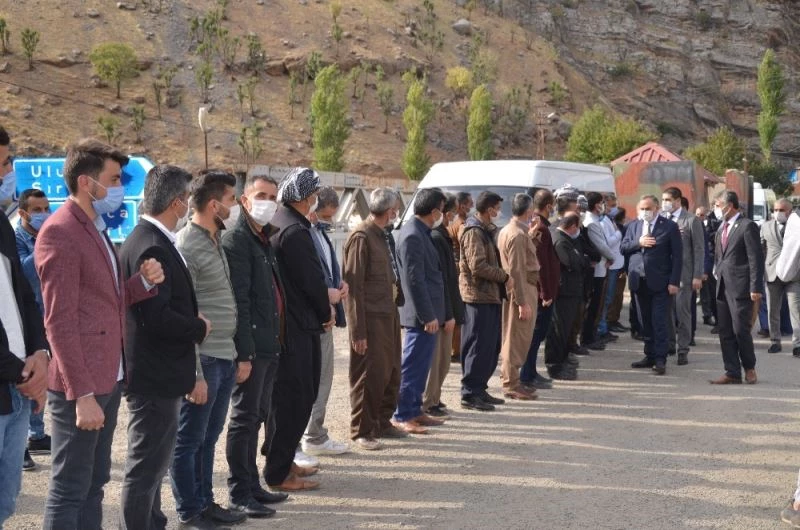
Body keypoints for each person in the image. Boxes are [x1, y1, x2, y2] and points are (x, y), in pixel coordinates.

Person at [36, 139, 163, 529]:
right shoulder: (60, 232)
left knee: (94, 483)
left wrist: (142, 282)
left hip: (107, 377)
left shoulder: (95, 228)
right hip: (82, 386)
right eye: (114, 179)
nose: (119, 187)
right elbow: (59, 321)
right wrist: (82, 394)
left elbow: (105, 300)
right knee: (69, 488)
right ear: (86, 182)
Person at [119, 165, 215, 529]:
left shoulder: (150, 239)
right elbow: (155, 317)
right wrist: (198, 326)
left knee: (154, 467)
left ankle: (153, 522)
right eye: (186, 198)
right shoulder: (151, 245)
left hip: (158, 373)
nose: (188, 205)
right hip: (154, 376)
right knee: (145, 468)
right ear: (177, 202)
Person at [173, 170, 247, 528]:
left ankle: (205, 503)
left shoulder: (215, 240)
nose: (236, 206)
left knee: (208, 438)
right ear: (215, 205)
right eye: (232, 199)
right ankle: (190, 511)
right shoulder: (187, 245)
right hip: (204, 359)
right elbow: (186, 313)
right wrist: (196, 373)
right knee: (189, 440)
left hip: (224, 355)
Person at [222, 173, 288, 517]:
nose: (268, 202)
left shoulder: (263, 237)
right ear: (244, 199)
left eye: (273, 197)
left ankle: (252, 485)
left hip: (269, 343)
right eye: (261, 195)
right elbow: (240, 301)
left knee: (258, 415)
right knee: (244, 419)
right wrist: (244, 353)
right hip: (252, 347)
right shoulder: (237, 240)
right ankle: (239, 491)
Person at [266, 167, 333, 491]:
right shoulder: (293, 231)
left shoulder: (282, 222)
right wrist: (325, 312)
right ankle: (279, 472)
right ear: (305, 197)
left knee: (289, 399)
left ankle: (283, 461)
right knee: (296, 399)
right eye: (314, 194)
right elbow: (311, 282)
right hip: (296, 326)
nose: (316, 199)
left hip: (291, 324)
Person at [0, 128, 49, 527]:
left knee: (5, 501)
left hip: (18, 385)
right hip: (12, 378)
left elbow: (23, 296)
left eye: (7, 163)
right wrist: (21, 371)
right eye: (2, 164)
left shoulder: (0, 225)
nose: (6, 173)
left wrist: (39, 353)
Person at [343, 188, 406, 451]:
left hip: (388, 312)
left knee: (390, 370)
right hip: (370, 317)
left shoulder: (382, 235)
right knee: (369, 374)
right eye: (395, 209)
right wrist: (358, 331)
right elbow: (353, 288)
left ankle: (382, 421)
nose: (397, 213)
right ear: (389, 211)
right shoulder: (362, 237)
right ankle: (362, 429)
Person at [392, 188, 448, 434]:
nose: (441, 215)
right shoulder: (412, 235)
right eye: (441, 210)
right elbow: (414, 280)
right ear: (434, 211)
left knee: (422, 366)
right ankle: (402, 414)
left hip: (428, 314)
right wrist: (427, 315)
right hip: (420, 316)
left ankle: (414, 409)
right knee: (412, 366)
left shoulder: (421, 232)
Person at [302, 186, 349, 457]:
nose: (329, 221)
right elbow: (309, 280)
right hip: (316, 318)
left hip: (326, 316)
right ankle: (312, 435)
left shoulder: (321, 234)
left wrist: (340, 285)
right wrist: (324, 304)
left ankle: (315, 432)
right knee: (316, 380)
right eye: (327, 215)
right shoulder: (302, 235)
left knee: (323, 379)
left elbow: (327, 271)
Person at [459, 191, 511, 411]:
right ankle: (470, 393)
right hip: (477, 297)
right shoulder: (473, 232)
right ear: (489, 209)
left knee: (490, 346)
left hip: (489, 296)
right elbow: (477, 266)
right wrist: (504, 276)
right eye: (497, 208)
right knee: (477, 345)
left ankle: (480, 388)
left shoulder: (486, 230)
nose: (498, 212)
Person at [621, 195, 682, 376]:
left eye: (648, 208)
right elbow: (624, 248)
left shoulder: (669, 226)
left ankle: (660, 359)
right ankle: (649, 355)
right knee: (644, 321)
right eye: (642, 209)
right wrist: (638, 243)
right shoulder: (633, 226)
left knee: (659, 321)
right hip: (639, 281)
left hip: (660, 283)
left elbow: (677, 256)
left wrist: (674, 281)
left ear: (656, 208)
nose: (645, 212)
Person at [14, 188, 52, 470]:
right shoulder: (15, 239)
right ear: (23, 213)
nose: (43, 214)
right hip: (24, 320)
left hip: (45, 317)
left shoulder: (44, 236)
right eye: (37, 210)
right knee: (25, 378)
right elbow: (25, 273)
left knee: (42, 377)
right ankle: (19, 446)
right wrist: (43, 243)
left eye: (46, 209)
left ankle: (36, 435)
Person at [708, 190, 764, 384]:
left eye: (717, 205)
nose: (715, 209)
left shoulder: (747, 226)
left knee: (740, 329)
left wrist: (756, 287)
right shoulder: (721, 227)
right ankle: (732, 371)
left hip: (741, 287)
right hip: (722, 285)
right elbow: (719, 255)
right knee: (725, 331)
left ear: (729, 205)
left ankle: (749, 367)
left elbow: (755, 258)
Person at [423, 194, 465, 416]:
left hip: (447, 307)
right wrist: (449, 313)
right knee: (436, 361)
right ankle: (429, 402)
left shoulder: (442, 236)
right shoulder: (437, 237)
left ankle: (435, 398)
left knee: (444, 362)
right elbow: (443, 280)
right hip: (441, 309)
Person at [497, 193, 540, 400]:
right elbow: (517, 271)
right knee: (516, 338)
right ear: (528, 210)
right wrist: (522, 302)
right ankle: (511, 383)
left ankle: (512, 380)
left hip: (520, 288)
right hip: (521, 290)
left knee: (513, 336)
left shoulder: (511, 230)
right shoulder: (517, 235)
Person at [519, 189, 558, 391]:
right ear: (548, 206)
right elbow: (540, 265)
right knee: (535, 334)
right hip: (541, 293)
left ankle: (531, 371)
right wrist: (546, 293)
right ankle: (526, 375)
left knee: (537, 334)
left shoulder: (538, 225)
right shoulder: (540, 228)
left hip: (541, 291)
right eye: (553, 205)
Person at [660, 187, 704, 365]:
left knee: (682, 312)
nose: (665, 203)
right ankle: (670, 344)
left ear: (678, 200)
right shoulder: (662, 219)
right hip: (665, 273)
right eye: (663, 200)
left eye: (668, 200)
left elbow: (699, 249)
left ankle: (683, 349)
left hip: (684, 275)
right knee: (666, 312)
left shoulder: (691, 220)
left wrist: (697, 275)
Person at [543, 213, 586, 380]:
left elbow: (579, 259)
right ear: (573, 226)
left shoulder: (567, 239)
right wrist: (580, 259)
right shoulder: (560, 240)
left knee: (566, 329)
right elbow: (571, 262)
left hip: (571, 291)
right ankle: (554, 365)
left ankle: (562, 360)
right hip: (564, 292)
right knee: (558, 330)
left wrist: (579, 258)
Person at [762, 198, 800, 357]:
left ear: (790, 211)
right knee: (773, 310)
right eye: (775, 210)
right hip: (772, 274)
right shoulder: (765, 226)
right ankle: (775, 341)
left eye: (782, 210)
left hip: (794, 275)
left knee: (796, 311)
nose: (777, 213)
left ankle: (797, 344)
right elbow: (761, 249)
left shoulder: (797, 226)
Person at [582, 192, 617, 349]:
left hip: (601, 267)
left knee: (597, 305)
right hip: (596, 270)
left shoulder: (595, 220)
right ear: (597, 205)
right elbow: (601, 245)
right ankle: (588, 338)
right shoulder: (591, 222)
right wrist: (611, 257)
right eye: (602, 202)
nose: (604, 205)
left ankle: (591, 335)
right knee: (593, 305)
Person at [448, 192, 473, 362]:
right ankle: (456, 350)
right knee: (459, 311)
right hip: (459, 271)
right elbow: (466, 249)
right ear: (462, 206)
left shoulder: (454, 223)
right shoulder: (462, 225)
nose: (472, 206)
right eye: (470, 203)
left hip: (454, 268)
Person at [596, 193, 625, 339]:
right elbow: (608, 242)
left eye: (615, 206)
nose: (614, 209)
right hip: (609, 264)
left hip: (615, 264)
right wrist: (619, 233)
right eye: (612, 206)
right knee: (606, 299)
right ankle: (601, 328)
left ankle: (604, 326)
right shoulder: (603, 221)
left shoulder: (610, 220)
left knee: (610, 298)